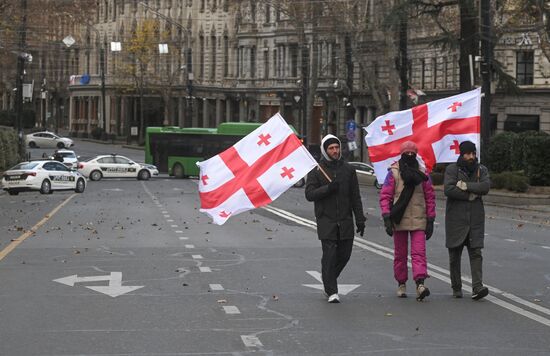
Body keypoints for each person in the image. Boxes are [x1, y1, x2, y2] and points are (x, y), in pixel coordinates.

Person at [305, 134, 366, 303]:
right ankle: (332, 290)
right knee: (330, 255)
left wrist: (360, 219)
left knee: (344, 255)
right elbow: (309, 194)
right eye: (331, 148)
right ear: (325, 150)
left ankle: (328, 277)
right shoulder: (316, 171)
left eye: (336, 147)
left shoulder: (348, 170)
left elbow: (355, 197)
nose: (335, 151)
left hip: (345, 221)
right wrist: (328, 189)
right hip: (326, 221)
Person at [379, 141, 436, 301]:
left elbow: (430, 197)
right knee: (400, 255)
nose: (410, 155)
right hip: (399, 219)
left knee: (419, 253)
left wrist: (430, 219)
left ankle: (420, 283)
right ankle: (401, 283)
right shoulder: (394, 172)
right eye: (407, 153)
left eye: (413, 153)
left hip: (419, 219)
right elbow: (385, 196)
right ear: (402, 153)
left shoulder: (423, 172)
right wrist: (386, 217)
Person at [444, 140, 491, 300]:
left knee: (476, 253)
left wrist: (466, 186)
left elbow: (485, 187)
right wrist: (471, 195)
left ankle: (477, 287)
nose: (471, 156)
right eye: (468, 153)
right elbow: (449, 189)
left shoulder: (481, 169)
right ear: (462, 154)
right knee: (454, 255)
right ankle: (456, 287)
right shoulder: (452, 169)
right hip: (456, 219)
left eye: (473, 153)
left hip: (475, 219)